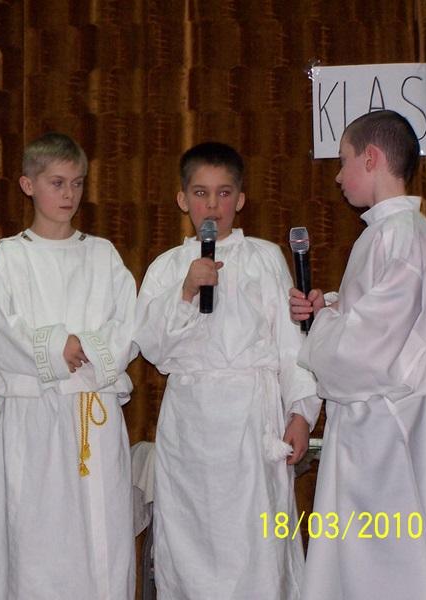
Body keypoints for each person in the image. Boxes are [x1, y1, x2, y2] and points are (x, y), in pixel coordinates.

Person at [289, 109, 426, 600]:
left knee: (390, 564)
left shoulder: (400, 235)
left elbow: (368, 348)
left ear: (371, 158)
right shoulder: (389, 233)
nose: (338, 176)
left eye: (343, 161)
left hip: (390, 431)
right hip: (378, 423)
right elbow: (375, 322)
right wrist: (328, 308)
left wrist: (322, 326)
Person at [135, 142, 320, 599]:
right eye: (201, 193)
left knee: (258, 550)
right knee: (190, 549)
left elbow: (290, 343)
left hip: (251, 422)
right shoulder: (166, 267)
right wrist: (185, 291)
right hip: (190, 427)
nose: (212, 206)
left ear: (240, 199)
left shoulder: (264, 258)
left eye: (223, 193)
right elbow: (152, 347)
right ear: (182, 199)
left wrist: (300, 412)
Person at [0, 132, 138, 599]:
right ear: (28, 185)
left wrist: (85, 348)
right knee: (32, 541)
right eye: (57, 183)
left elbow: (128, 323)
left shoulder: (102, 254)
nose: (69, 194)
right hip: (31, 419)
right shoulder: (12, 254)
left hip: (91, 416)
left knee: (98, 542)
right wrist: (54, 347)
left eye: (77, 183)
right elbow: (0, 329)